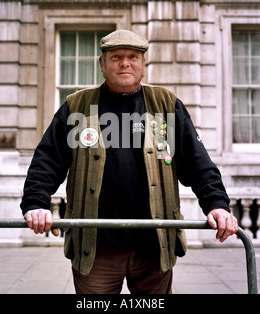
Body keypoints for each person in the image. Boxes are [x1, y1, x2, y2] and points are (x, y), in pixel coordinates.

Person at [20, 29, 238, 294]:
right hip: (96, 248)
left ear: (143, 64)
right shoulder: (76, 107)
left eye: (133, 56)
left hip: (154, 246)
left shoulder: (167, 106)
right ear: (102, 63)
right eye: (116, 57)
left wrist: (217, 204)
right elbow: (46, 161)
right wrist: (36, 202)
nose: (125, 63)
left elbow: (198, 163)